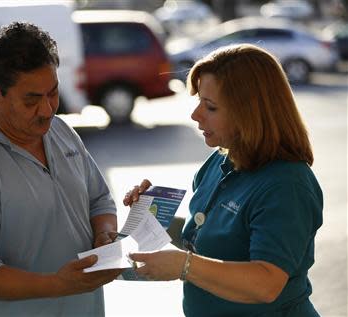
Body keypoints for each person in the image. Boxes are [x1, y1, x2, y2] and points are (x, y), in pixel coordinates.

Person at [0, 22, 121, 317]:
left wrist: (105, 236)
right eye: (31, 100)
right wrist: (57, 284)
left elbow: (99, 200)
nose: (48, 110)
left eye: (53, 93)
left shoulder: (61, 131)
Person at [124, 44, 323, 316]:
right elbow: (205, 240)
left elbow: (266, 283)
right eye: (198, 102)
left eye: (211, 107)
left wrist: (185, 265)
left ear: (249, 113)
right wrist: (152, 216)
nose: (195, 115)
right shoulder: (220, 161)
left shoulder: (286, 184)